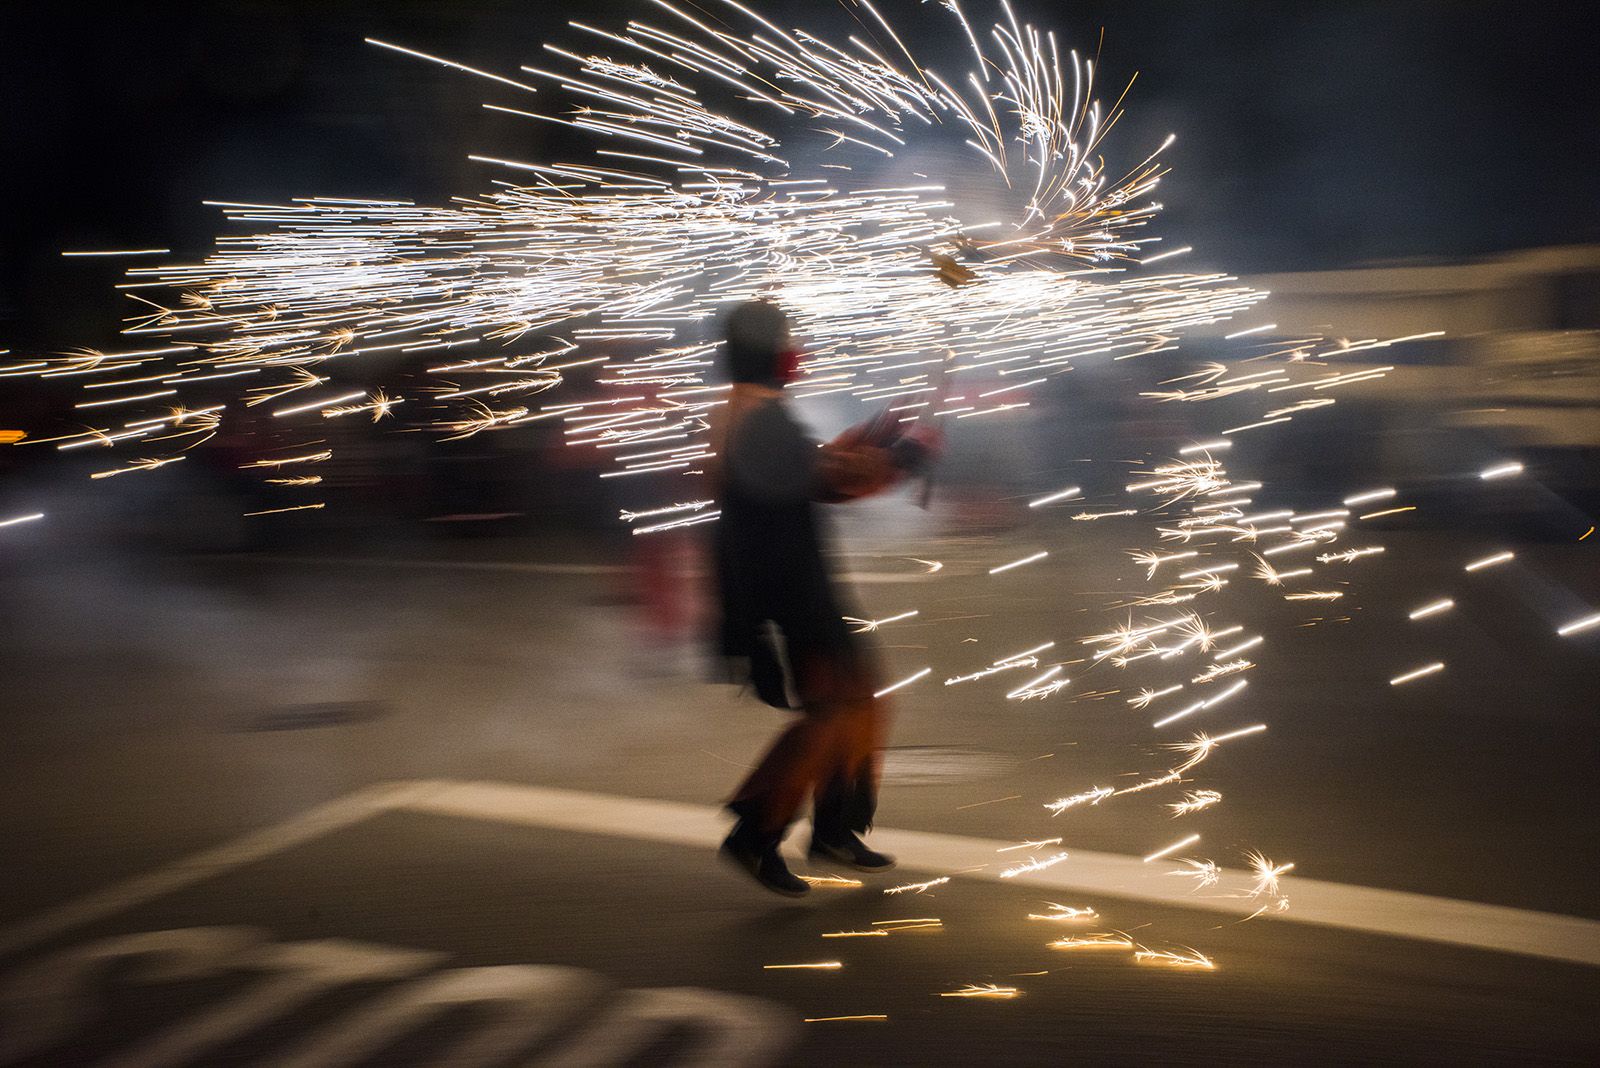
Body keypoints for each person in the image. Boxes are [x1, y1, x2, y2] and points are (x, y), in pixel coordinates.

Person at [710, 300, 939, 897]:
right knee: (833, 711)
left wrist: (885, 434)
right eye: (789, 341)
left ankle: (835, 827)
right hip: (793, 594)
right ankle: (756, 831)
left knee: (858, 699)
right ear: (773, 354)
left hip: (796, 587)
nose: (797, 351)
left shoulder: (752, 414)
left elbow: (815, 467)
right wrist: (900, 457)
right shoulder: (758, 421)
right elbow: (830, 478)